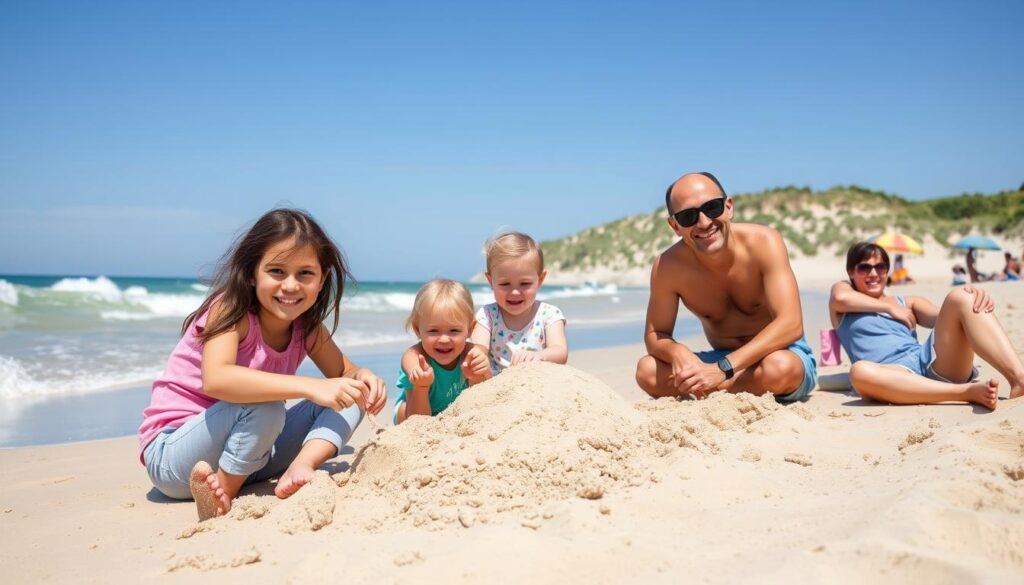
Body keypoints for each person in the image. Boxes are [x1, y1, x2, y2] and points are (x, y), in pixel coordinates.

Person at [138, 209, 387, 521]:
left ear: (322, 280)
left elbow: (343, 373)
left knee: (352, 394)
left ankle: (301, 465)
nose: (291, 285)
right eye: (277, 271)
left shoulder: (306, 327)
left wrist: (362, 377)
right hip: (176, 457)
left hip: (252, 456)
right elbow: (217, 379)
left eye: (305, 274)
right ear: (253, 271)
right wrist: (311, 386)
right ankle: (219, 494)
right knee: (266, 406)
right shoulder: (230, 309)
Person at [635, 172, 817, 402]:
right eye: (688, 216)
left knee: (779, 368)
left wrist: (721, 370)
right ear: (674, 225)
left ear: (728, 206)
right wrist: (677, 352)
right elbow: (655, 334)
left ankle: (711, 388)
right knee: (647, 371)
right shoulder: (668, 267)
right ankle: (723, 386)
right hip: (721, 361)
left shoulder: (764, 242)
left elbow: (791, 325)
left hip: (777, 354)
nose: (704, 223)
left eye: (712, 208)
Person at [829, 242, 1024, 408]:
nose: (873, 273)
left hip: (929, 363)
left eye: (880, 267)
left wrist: (969, 301)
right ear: (851, 272)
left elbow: (941, 316)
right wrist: (888, 309)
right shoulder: (843, 301)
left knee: (962, 297)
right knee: (859, 372)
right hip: (890, 376)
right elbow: (840, 297)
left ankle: (1019, 379)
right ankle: (965, 392)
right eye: (864, 268)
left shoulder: (908, 302)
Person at [394, 279, 492, 423]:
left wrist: (478, 375)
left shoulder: (471, 354)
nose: (444, 339)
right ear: (417, 329)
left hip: (451, 412)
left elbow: (485, 400)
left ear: (470, 329)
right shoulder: (415, 357)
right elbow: (417, 420)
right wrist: (421, 385)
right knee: (404, 414)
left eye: (454, 330)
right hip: (415, 410)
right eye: (434, 331)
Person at [470, 231, 568, 374]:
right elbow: (479, 347)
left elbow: (560, 351)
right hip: (497, 385)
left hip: (538, 381)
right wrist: (477, 356)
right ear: (491, 281)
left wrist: (540, 356)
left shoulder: (549, 315)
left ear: (540, 280)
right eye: (505, 284)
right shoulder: (488, 316)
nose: (515, 292)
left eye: (525, 283)